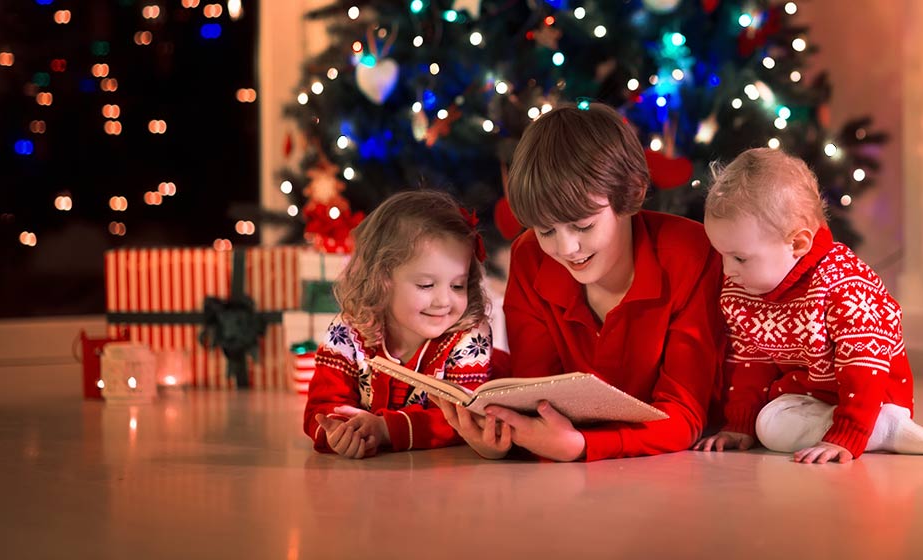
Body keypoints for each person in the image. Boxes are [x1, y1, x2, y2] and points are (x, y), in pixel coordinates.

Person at [481, 102, 726, 462]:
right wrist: (498, 438)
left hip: (695, 468)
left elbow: (685, 414)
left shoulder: (691, 254)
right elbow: (535, 399)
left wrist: (584, 446)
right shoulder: (530, 255)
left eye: (583, 225)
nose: (566, 248)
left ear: (632, 193)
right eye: (546, 229)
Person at [695, 148, 923, 463]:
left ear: (798, 244)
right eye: (721, 254)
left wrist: (848, 433)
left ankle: (884, 427)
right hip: (806, 398)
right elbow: (752, 362)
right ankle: (871, 431)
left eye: (739, 257)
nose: (727, 270)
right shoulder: (743, 289)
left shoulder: (845, 285)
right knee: (769, 424)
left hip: (872, 396)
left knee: (778, 426)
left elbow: (865, 366)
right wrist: (740, 425)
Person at [302, 190, 509, 460]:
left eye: (458, 285)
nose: (445, 300)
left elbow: (464, 418)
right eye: (426, 284)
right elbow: (322, 404)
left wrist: (386, 429)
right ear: (382, 280)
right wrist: (341, 432)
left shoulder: (469, 335)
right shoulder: (348, 330)